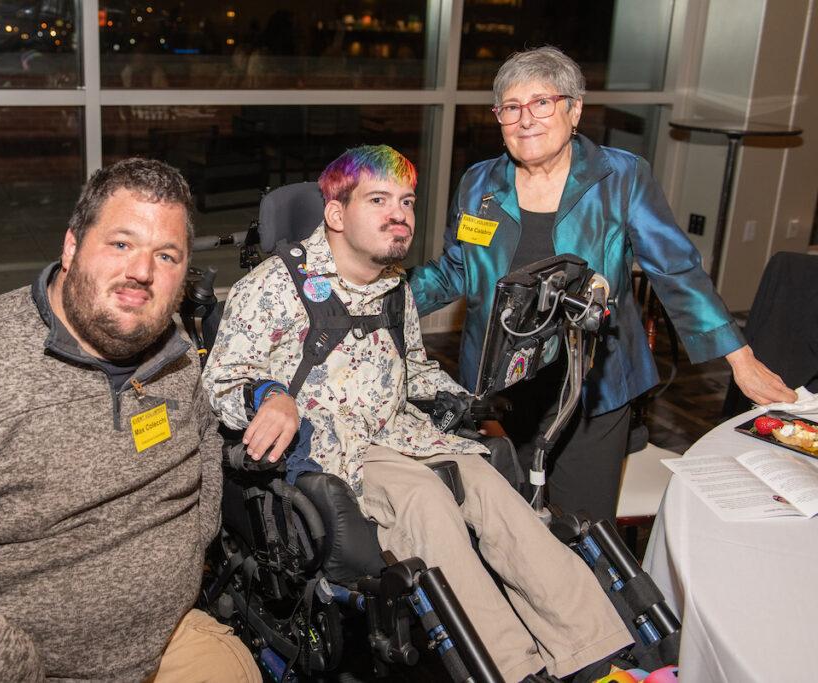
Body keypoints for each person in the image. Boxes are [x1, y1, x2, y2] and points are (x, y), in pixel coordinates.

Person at [201, 145, 632, 682]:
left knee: (495, 492)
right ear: (336, 214)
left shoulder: (395, 287)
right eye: (378, 199)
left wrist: (462, 398)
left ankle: (597, 652)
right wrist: (271, 395)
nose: (399, 213)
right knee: (426, 500)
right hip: (334, 450)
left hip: (403, 432)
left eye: (406, 201)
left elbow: (412, 371)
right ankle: (511, 669)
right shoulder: (271, 287)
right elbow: (219, 381)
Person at [0, 158, 260, 682]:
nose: (142, 273)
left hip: (164, 640)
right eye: (121, 244)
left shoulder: (173, 347)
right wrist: (10, 668)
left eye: (165, 255)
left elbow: (205, 439)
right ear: (72, 246)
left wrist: (191, 549)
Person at [408, 46, 796, 523]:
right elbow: (455, 270)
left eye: (542, 103)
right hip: (500, 388)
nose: (525, 119)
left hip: (592, 387)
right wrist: (375, 296)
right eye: (511, 108)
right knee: (500, 526)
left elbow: (676, 269)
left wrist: (741, 359)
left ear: (574, 110)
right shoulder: (479, 184)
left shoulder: (620, 177)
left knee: (582, 529)